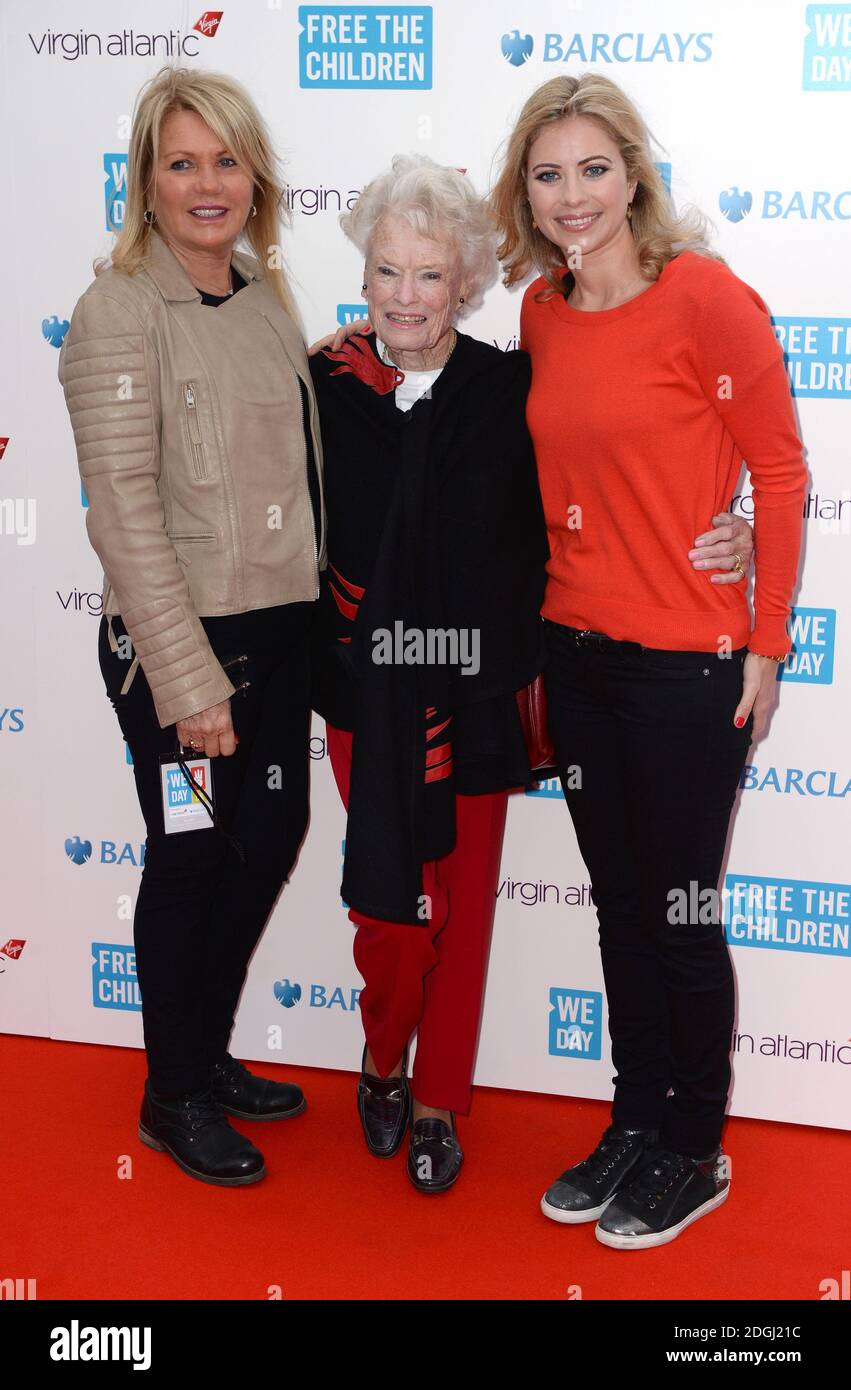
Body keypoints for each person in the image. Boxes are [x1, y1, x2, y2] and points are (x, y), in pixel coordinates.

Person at [491, 73, 806, 1247]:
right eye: (546, 173)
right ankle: (632, 1117)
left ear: (632, 174)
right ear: (523, 191)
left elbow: (777, 474)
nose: (571, 196)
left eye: (591, 169)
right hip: (573, 663)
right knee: (619, 911)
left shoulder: (704, 297)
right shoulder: (539, 312)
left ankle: (694, 1146)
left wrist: (766, 638)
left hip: (686, 668)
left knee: (678, 913)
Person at [58, 67, 325, 1187]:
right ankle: (171, 1094)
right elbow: (121, 516)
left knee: (262, 848)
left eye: (225, 159)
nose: (207, 183)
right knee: (190, 859)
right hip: (188, 660)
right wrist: (190, 681)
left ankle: (205, 1056)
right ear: (146, 182)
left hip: (281, 642)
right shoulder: (116, 312)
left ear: (253, 176)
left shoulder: (264, 294)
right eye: (182, 162)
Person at [309, 155, 549, 1193]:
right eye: (386, 272)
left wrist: (722, 524)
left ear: (464, 283)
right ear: (364, 275)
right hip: (364, 692)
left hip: (472, 692)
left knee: (467, 905)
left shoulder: (506, 390)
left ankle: (439, 1098)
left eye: (427, 275)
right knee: (395, 913)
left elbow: (582, 496)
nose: (404, 297)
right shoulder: (325, 383)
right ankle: (380, 1057)